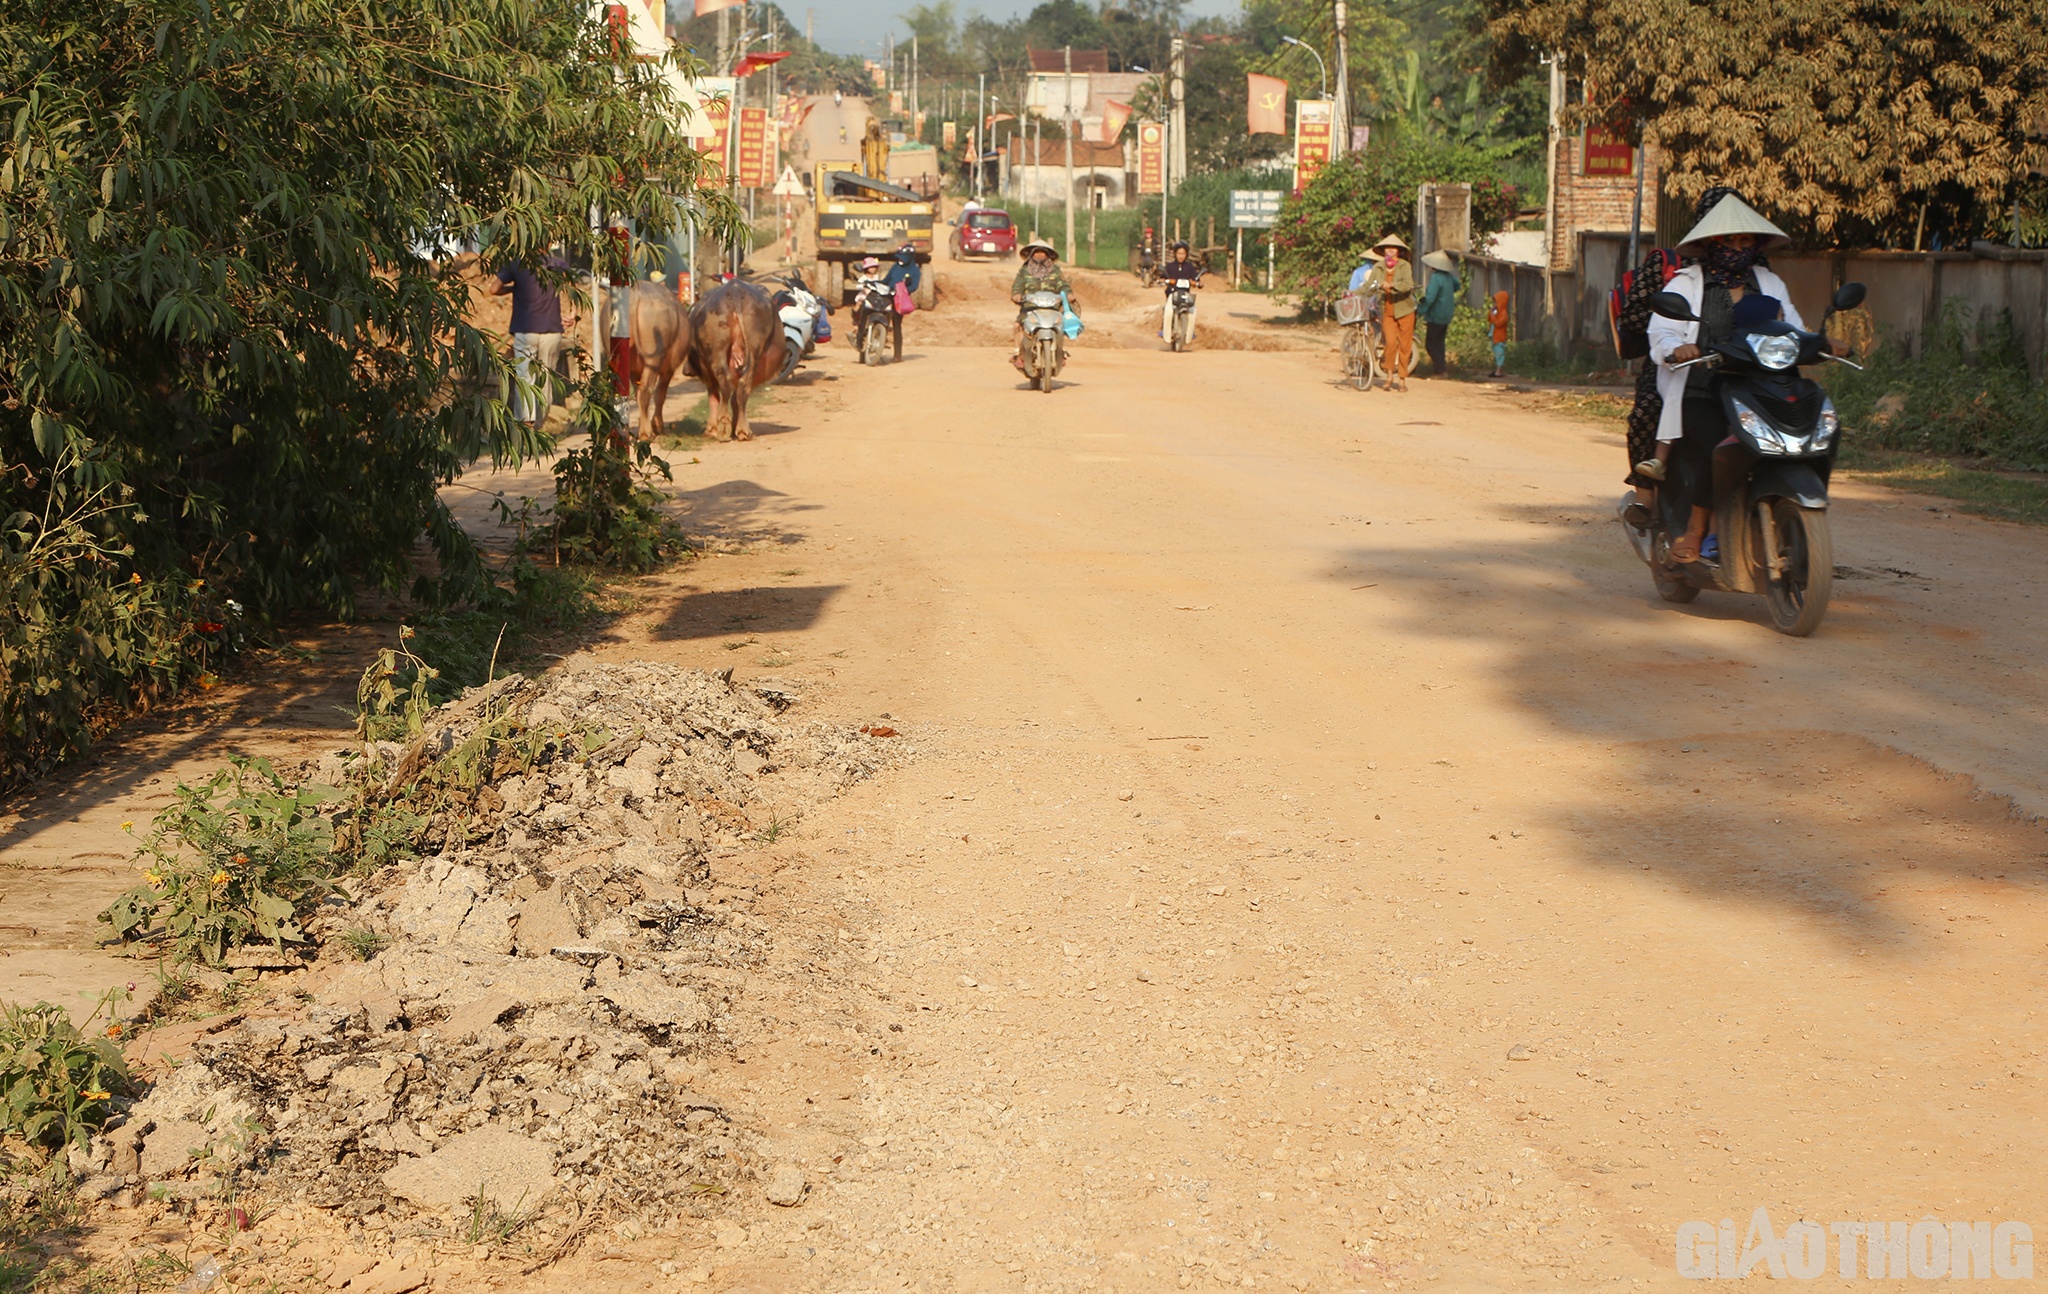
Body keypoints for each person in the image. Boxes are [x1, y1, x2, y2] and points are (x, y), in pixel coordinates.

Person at [1648, 192, 1836, 562]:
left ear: (1756, 244)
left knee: (1817, 425)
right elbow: (1662, 331)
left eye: (1744, 240)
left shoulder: (1768, 282)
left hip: (1762, 387)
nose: (1737, 247)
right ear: (1710, 244)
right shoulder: (1689, 283)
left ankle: (1791, 506)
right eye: (1728, 240)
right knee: (1715, 442)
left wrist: (1824, 342)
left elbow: (1794, 328)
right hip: (1704, 388)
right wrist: (1677, 347)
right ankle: (1696, 528)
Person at [488, 250, 579, 432]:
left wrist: (514, 288)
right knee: (545, 379)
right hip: (552, 331)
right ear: (550, 242)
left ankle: (525, 425)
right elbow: (573, 291)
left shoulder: (516, 263)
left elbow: (493, 289)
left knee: (524, 378)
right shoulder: (559, 265)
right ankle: (539, 425)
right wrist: (573, 314)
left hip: (525, 330)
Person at [1359, 235, 1416, 391]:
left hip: (1405, 310)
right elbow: (1369, 286)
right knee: (1390, 343)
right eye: (1387, 248)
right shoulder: (1378, 267)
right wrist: (1353, 293)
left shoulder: (1405, 266)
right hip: (1387, 311)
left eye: (1394, 248)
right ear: (1383, 250)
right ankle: (1390, 375)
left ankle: (1402, 379)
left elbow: (1407, 285)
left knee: (1405, 346)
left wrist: (1391, 284)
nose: (1390, 250)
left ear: (1398, 251)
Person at [1009, 238, 1074, 370]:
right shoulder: (1024, 271)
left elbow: (1063, 285)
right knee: (1018, 326)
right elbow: (1018, 285)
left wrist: (1068, 293)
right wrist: (1016, 294)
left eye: (1042, 252)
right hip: (1029, 308)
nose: (1039, 255)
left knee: (1061, 324)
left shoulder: (1055, 271)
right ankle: (1019, 354)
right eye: (1036, 252)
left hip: (1052, 307)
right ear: (1031, 254)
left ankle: (1059, 352)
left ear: (1048, 255)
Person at [1418, 250, 1458, 376]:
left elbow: (1430, 298)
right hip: (1447, 314)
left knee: (1431, 344)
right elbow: (1458, 286)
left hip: (1436, 315)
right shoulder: (1449, 277)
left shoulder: (1436, 278)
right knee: (1440, 343)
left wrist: (1420, 311)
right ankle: (1440, 369)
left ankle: (1441, 369)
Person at [1156, 240, 1203, 345]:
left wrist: (1197, 283)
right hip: (1172, 294)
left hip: (1185, 295)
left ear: (1186, 254)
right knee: (1168, 310)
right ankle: (1165, 330)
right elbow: (1163, 276)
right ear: (1175, 254)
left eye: (1183, 253)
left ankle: (1190, 331)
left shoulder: (1189, 267)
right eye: (1179, 253)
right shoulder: (1170, 266)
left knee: (1192, 311)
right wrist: (1163, 280)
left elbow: (1195, 278)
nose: (1181, 256)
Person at [881, 243, 922, 359]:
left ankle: (897, 355)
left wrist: (902, 290)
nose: (900, 260)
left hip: (899, 300)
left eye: (903, 257)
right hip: (887, 296)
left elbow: (914, 286)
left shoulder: (915, 270)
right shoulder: (895, 266)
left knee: (896, 326)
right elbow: (886, 280)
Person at [1486, 290, 1510, 378]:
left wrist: (1493, 316)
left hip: (1499, 337)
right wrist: (1491, 313)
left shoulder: (1504, 314)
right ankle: (1498, 370)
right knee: (1496, 353)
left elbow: (1498, 324)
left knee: (1500, 353)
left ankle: (1499, 371)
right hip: (1494, 336)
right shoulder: (1498, 312)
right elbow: (1489, 319)